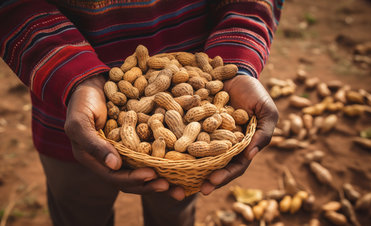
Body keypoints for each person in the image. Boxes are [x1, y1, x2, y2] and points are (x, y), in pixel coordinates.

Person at [0, 0, 282, 225]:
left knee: (174, 208)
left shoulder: (200, 102)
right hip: (71, 113)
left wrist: (239, 54)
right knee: (79, 211)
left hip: (184, 158)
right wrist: (72, 78)